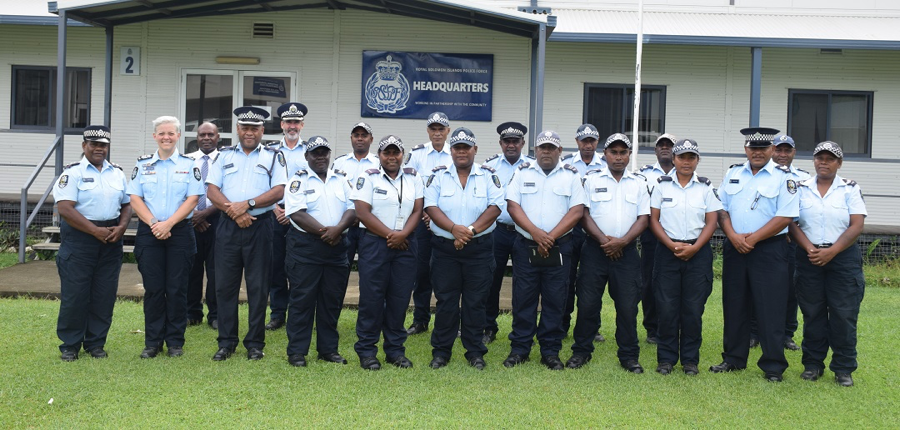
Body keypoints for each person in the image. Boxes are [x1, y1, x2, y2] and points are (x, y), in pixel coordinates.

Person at [712, 127, 799, 382]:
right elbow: (721, 209)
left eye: (763, 149)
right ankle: (733, 359)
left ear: (772, 150)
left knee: (770, 307)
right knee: (734, 305)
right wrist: (733, 236)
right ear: (746, 150)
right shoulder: (732, 173)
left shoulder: (784, 178)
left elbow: (786, 216)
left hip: (769, 249)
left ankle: (773, 365)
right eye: (753, 148)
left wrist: (752, 238)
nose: (757, 153)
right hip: (735, 247)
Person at [206, 106, 287, 361]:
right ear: (238, 130)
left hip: (261, 226)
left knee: (258, 286)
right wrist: (236, 212)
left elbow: (279, 190)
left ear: (262, 130)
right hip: (229, 227)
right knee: (224, 286)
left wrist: (248, 204)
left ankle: (254, 343)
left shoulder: (275, 156)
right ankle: (226, 342)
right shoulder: (222, 156)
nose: (249, 132)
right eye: (245, 128)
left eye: (254, 128)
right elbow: (212, 190)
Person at [567, 133, 649, 373]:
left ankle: (629, 356)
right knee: (588, 304)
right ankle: (581, 352)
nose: (618, 157)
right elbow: (583, 213)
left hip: (627, 253)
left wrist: (622, 242)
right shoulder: (591, 180)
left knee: (627, 307)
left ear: (629, 155)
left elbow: (644, 218)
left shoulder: (639, 182)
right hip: (595, 250)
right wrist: (605, 241)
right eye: (614, 152)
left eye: (623, 152)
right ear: (605, 155)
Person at [503, 130, 585, 370]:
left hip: (560, 246)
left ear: (560, 151)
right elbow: (513, 205)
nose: (546, 152)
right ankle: (520, 348)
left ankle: (550, 351)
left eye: (551, 148)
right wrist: (537, 233)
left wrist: (550, 236)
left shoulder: (571, 175)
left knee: (555, 299)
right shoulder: (522, 172)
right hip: (526, 245)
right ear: (535, 150)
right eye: (542, 148)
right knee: (523, 298)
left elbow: (577, 210)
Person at [424, 127, 503, 370]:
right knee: (446, 301)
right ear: (451, 150)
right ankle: (441, 352)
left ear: (474, 150)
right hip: (445, 250)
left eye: (466, 148)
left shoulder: (489, 175)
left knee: (475, 302)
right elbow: (431, 207)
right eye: (457, 147)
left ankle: (475, 352)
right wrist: (454, 229)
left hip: (478, 248)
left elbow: (495, 207)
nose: (461, 152)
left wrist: (468, 231)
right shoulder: (437, 176)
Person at [789, 141, 866, 387]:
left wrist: (832, 251)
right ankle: (813, 365)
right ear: (814, 161)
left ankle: (843, 368)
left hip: (842, 258)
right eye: (819, 157)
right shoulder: (800, 188)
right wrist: (810, 248)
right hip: (809, 256)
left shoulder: (850, 189)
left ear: (839, 163)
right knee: (813, 315)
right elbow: (791, 222)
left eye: (830, 158)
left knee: (844, 315)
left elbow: (856, 225)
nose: (824, 162)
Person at [127, 116, 203, 358]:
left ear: (179, 136)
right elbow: (135, 198)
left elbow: (193, 199)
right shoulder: (142, 165)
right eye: (161, 133)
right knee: (154, 289)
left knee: (177, 288)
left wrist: (168, 223)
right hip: (150, 232)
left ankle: (175, 342)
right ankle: (153, 342)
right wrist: (154, 223)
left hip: (179, 232)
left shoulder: (189, 165)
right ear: (154, 136)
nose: (166, 137)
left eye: (171, 133)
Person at [53, 125, 131, 361]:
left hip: (110, 237)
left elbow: (127, 204)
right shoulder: (72, 173)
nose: (99, 149)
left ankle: (96, 343)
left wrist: (123, 226)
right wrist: (93, 231)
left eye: (103, 145)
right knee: (75, 294)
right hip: (80, 238)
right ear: (84, 146)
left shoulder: (116, 172)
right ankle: (70, 344)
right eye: (94, 144)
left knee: (104, 294)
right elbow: (65, 208)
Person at [648, 139, 722, 375]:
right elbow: (653, 220)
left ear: (697, 160)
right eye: (682, 157)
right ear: (674, 159)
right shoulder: (662, 185)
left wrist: (695, 247)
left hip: (697, 253)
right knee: (667, 308)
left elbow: (712, 221)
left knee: (692, 309)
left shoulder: (705, 187)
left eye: (691, 157)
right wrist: (670, 245)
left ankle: (690, 360)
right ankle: (666, 359)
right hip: (667, 253)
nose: (686, 162)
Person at [351, 135, 424, 370]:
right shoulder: (368, 177)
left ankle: (395, 350)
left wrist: (402, 236)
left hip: (406, 245)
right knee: (372, 299)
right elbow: (362, 212)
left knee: (399, 299)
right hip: (375, 244)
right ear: (379, 155)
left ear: (402, 155)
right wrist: (391, 235)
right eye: (386, 153)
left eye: (396, 153)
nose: (392, 157)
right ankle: (367, 351)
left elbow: (418, 210)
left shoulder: (414, 177)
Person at [283, 136, 357, 367]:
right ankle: (297, 352)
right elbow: (296, 212)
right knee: (302, 300)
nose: (321, 157)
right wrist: (327, 232)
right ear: (307, 157)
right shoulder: (298, 180)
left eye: (324, 152)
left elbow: (354, 208)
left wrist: (338, 230)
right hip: (306, 247)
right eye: (315, 153)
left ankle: (328, 350)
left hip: (337, 248)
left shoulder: (341, 180)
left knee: (331, 301)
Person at [747, 133, 811, 350]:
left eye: (787, 150)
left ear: (793, 152)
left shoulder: (804, 177)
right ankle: (755, 331)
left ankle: (787, 333)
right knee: (760, 288)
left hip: (793, 240)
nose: (783, 154)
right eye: (779, 150)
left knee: (790, 288)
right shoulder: (763, 175)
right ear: (772, 150)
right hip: (769, 238)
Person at [482, 121, 532, 345]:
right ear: (500, 143)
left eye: (516, 141)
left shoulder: (533, 166)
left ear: (523, 143)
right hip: (497, 232)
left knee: (524, 284)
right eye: (507, 141)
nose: (511, 145)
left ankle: (521, 332)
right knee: (490, 281)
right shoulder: (489, 167)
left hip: (524, 233)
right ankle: (488, 327)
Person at [403, 112, 453, 335]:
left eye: (441, 129)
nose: (437, 133)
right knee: (421, 272)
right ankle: (420, 320)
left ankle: (449, 321)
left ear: (447, 131)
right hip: (422, 222)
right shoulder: (417, 154)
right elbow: (410, 185)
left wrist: (438, 215)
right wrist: (424, 212)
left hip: (448, 222)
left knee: (448, 272)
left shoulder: (456, 153)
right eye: (433, 129)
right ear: (428, 131)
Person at [561, 124, 607, 342]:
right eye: (584, 141)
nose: (588, 145)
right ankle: (562, 324)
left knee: (591, 281)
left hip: (594, 231)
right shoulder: (565, 164)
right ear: (577, 142)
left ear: (597, 143)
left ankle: (592, 327)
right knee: (566, 278)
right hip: (569, 229)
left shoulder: (606, 164)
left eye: (592, 141)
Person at [266, 102, 308, 331]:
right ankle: (278, 313)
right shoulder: (270, 150)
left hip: (301, 215)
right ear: (282, 124)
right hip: (275, 212)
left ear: (302, 125)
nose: (292, 126)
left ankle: (298, 313)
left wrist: (292, 212)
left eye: (296, 122)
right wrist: (275, 208)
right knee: (276, 265)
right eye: (288, 122)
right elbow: (263, 182)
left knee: (300, 266)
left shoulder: (310, 150)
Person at [637, 133, 677, 345]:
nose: (664, 149)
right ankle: (652, 328)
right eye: (660, 146)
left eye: (668, 146)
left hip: (677, 234)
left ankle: (671, 325)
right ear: (655, 150)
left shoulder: (684, 172)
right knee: (650, 282)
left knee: (671, 283)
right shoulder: (644, 174)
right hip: (651, 235)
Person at [186, 122, 220, 329]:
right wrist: (193, 216)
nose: (206, 138)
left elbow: (229, 191)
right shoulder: (187, 161)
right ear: (196, 138)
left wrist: (206, 213)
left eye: (211, 134)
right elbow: (181, 190)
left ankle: (215, 315)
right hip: (190, 219)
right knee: (191, 269)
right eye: (202, 135)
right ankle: (192, 312)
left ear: (218, 138)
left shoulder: (226, 160)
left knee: (217, 270)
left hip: (217, 219)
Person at [332, 122, 379, 267]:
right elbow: (333, 191)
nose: (360, 139)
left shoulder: (378, 163)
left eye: (364, 136)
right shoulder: (339, 162)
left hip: (370, 225)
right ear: (351, 138)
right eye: (356, 135)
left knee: (370, 268)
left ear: (371, 139)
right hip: (346, 225)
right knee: (341, 266)